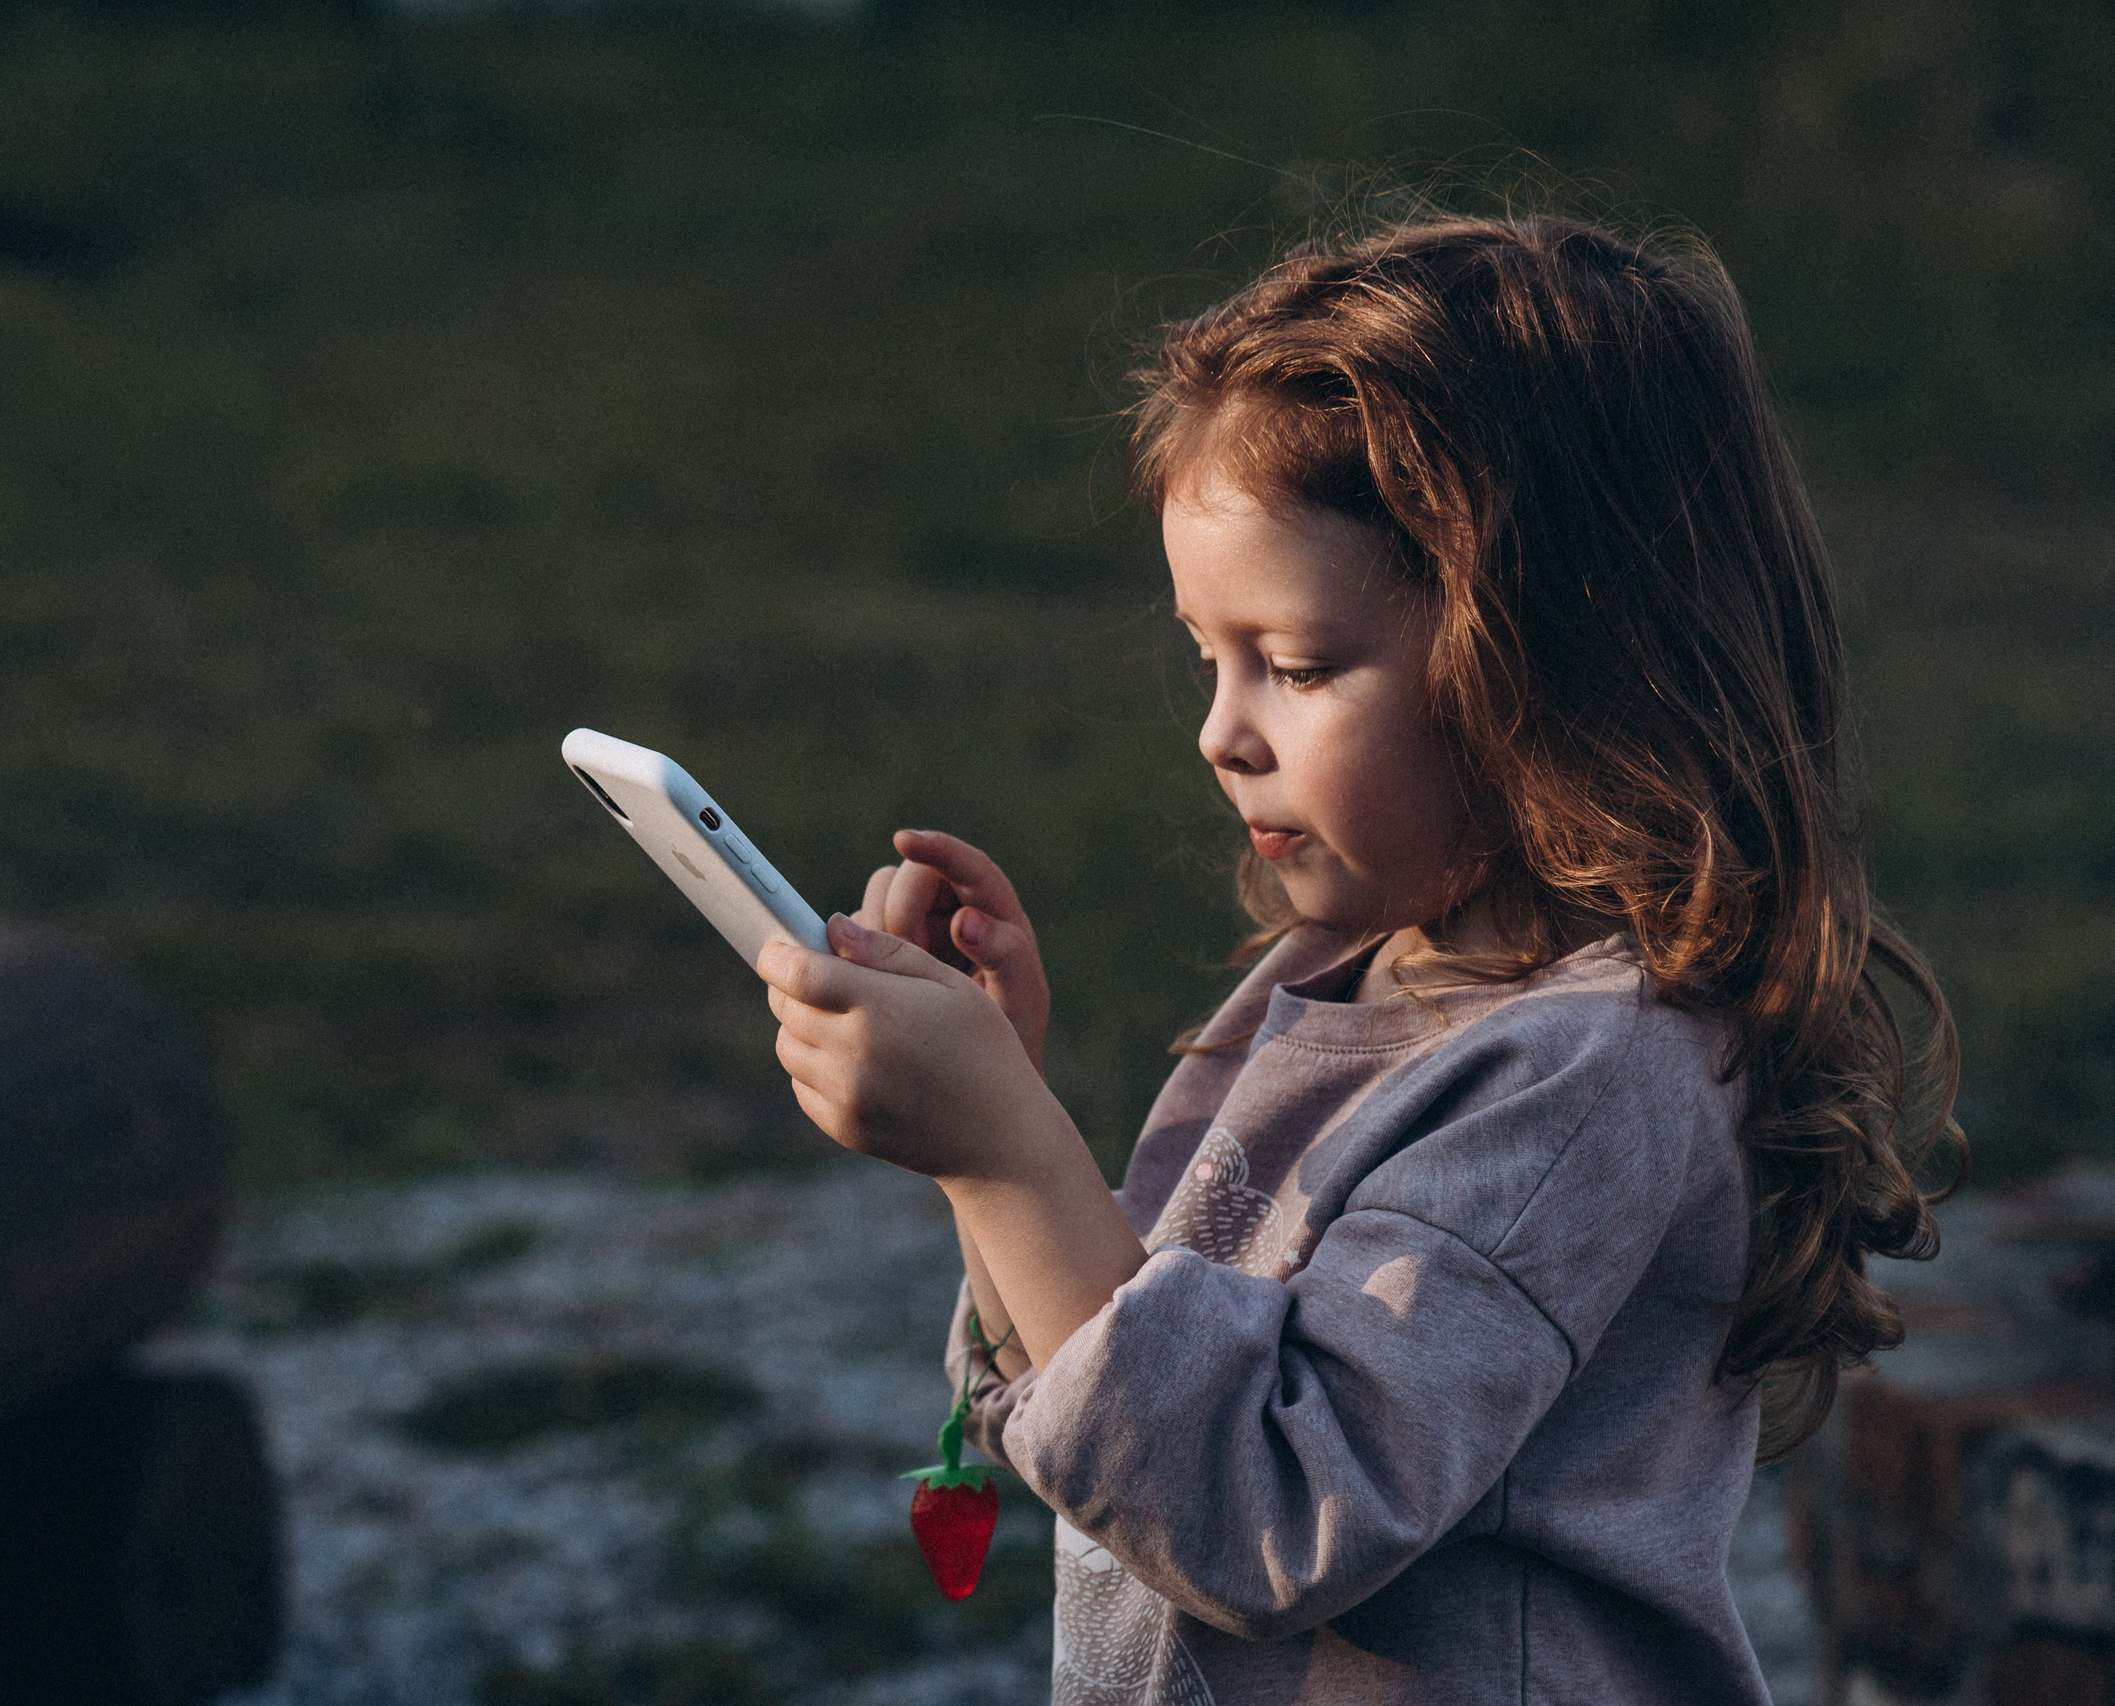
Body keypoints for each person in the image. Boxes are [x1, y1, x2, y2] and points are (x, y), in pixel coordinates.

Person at [754, 214, 1963, 1705]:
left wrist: (1009, 1154)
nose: (1221, 728)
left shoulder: (1587, 1073)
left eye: (1299, 665)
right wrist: (989, 1126)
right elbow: (1125, 1384)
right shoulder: (1348, 973)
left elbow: (1264, 1513)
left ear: (1556, 661)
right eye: (1210, 653)